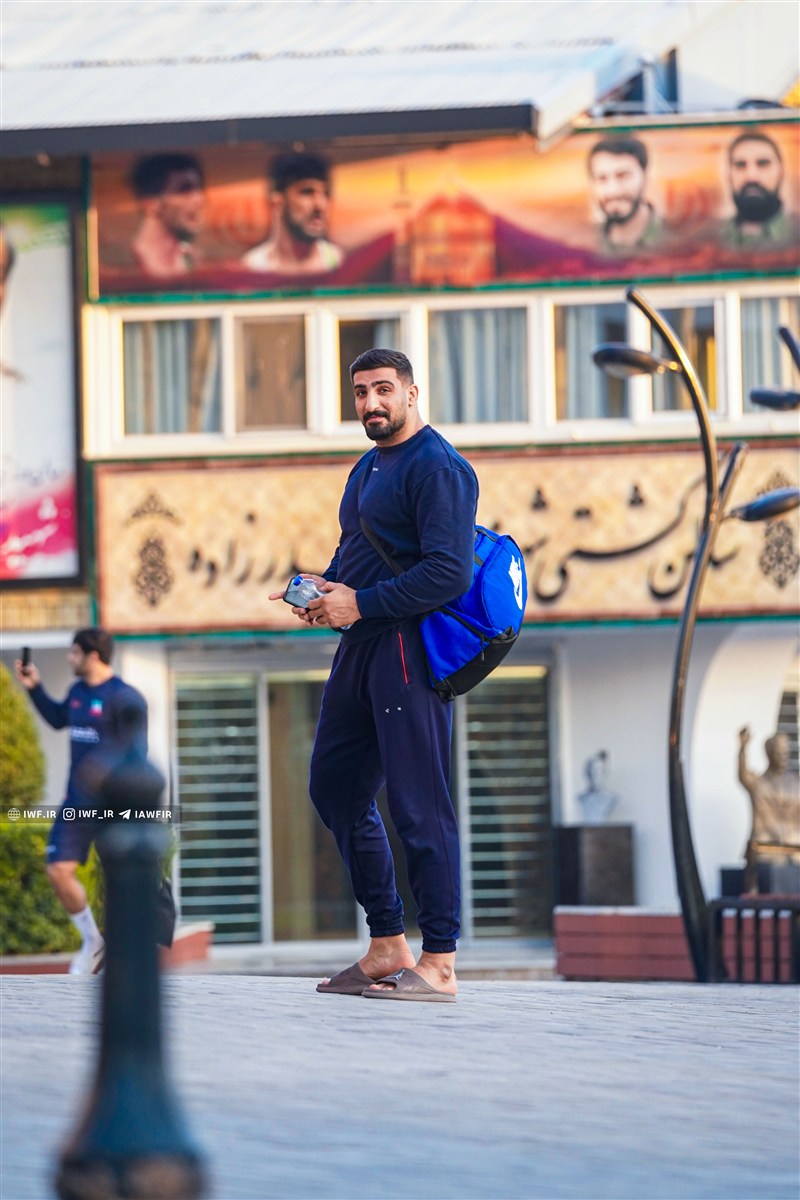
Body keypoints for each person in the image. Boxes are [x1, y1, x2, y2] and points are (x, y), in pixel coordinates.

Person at [269, 348, 477, 1001]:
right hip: (359, 647)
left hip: (408, 648)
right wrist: (325, 589)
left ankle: (439, 961)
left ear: (412, 392)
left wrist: (361, 602)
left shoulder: (439, 468)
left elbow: (448, 572)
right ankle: (387, 943)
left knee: (419, 805)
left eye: (383, 389)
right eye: (361, 392)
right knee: (334, 787)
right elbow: (358, 552)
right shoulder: (368, 466)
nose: (371, 403)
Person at [14, 629, 148, 974]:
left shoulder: (125, 698)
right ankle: (92, 941)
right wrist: (34, 688)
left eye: (74, 652)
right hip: (75, 803)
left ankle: (125, 954)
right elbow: (59, 719)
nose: (69, 658)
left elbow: (138, 753)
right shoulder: (76, 692)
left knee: (118, 882)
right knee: (58, 870)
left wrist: (105, 772)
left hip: (112, 807)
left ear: (93, 656)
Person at [242, 151, 344, 275]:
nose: (320, 205)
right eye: (307, 192)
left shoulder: (337, 261)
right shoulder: (253, 266)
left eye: (325, 194)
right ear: (278, 202)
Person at [737, 726, 800, 892]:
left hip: (794, 842)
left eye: (785, 753)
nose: (783, 758)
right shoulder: (759, 782)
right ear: (770, 754)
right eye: (778, 753)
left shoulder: (796, 782)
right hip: (765, 842)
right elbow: (743, 775)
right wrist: (742, 749)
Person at [129, 152, 206, 277]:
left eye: (199, 189)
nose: (199, 199)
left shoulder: (189, 258)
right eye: (184, 189)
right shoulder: (127, 264)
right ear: (151, 204)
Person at [719, 130, 799, 249]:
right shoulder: (707, 238)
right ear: (729, 175)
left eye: (763, 163)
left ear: (781, 171)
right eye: (740, 165)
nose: (751, 176)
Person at [587, 135, 663, 253]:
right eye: (602, 178)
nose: (613, 190)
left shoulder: (679, 240)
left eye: (623, 176)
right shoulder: (584, 244)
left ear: (646, 177)